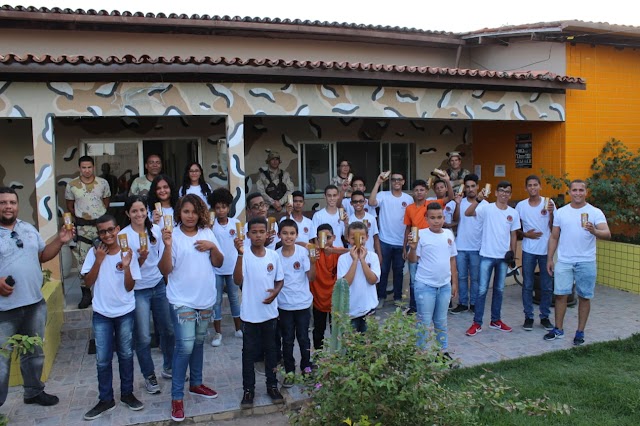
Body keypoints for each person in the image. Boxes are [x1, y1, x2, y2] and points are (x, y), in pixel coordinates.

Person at [0, 187, 73, 410]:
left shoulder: (28, 228)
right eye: (3, 202)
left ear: (17, 204)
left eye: (12, 202)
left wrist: (60, 241)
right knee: (1, 361)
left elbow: (42, 255)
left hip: (33, 303)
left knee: (34, 354)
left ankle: (33, 392)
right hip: (4, 310)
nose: (8, 206)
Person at [158, 194, 224, 422]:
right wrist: (167, 246)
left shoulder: (207, 233)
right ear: (179, 213)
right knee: (184, 346)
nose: (190, 216)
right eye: (186, 211)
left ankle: (196, 383)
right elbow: (165, 269)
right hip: (181, 300)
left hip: (205, 299)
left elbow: (218, 262)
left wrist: (213, 246)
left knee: (198, 343)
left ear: (200, 213)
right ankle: (177, 397)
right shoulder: (172, 235)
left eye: (194, 211)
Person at [81, 215, 144, 420]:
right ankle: (105, 399)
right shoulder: (93, 252)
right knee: (102, 359)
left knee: (126, 355)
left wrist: (126, 265)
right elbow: (88, 281)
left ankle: (127, 394)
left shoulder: (128, 253)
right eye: (102, 231)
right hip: (101, 314)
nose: (107, 235)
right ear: (98, 234)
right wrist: (99, 260)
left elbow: (129, 286)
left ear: (118, 229)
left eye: (110, 230)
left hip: (125, 312)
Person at [544, 180, 610, 345]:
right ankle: (558, 329)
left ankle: (580, 332)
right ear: (570, 192)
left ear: (586, 192)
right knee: (560, 296)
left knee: (584, 297)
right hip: (565, 261)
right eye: (575, 190)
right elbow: (554, 236)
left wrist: (594, 231)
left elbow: (607, 233)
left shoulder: (595, 212)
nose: (578, 193)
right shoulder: (562, 212)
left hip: (586, 261)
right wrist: (550, 258)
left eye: (581, 190)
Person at [119, 196, 174, 392]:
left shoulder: (156, 230)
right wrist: (140, 260)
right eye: (134, 211)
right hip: (138, 290)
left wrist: (167, 281)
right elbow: (126, 269)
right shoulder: (123, 236)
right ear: (127, 213)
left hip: (158, 285)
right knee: (142, 336)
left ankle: (169, 367)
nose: (139, 214)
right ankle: (149, 375)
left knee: (168, 329)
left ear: (147, 211)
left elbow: (163, 258)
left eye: (142, 210)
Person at [234, 217, 285, 409]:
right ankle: (248, 390)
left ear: (267, 234)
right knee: (248, 354)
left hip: (270, 314)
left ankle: (272, 386)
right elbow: (237, 280)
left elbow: (280, 280)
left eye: (261, 232)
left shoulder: (273, 256)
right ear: (248, 235)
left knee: (271, 352)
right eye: (254, 232)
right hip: (249, 315)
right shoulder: (244, 255)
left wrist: (275, 293)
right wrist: (239, 255)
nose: (258, 235)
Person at [465, 181, 520, 336]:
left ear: (510, 194)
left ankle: (496, 320)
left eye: (507, 191)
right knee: (482, 290)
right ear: (496, 193)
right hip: (487, 256)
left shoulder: (513, 213)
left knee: (499, 290)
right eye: (501, 190)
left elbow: (514, 234)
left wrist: (512, 254)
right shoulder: (486, 208)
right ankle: (477, 323)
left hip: (503, 257)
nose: (504, 194)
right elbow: (468, 213)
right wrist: (478, 199)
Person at [407, 202, 458, 355]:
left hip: (444, 286)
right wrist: (413, 247)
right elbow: (412, 260)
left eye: (440, 217)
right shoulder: (420, 235)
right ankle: (420, 354)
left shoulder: (448, 234)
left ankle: (442, 352)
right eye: (433, 218)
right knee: (424, 322)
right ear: (426, 218)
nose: (436, 221)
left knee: (441, 321)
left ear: (444, 217)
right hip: (425, 286)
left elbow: (452, 260)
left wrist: (453, 283)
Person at [65, 155, 111, 309]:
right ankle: (86, 294)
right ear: (79, 168)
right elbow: (70, 207)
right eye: (83, 167)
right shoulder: (72, 185)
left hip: (101, 229)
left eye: (89, 167)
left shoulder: (102, 183)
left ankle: (104, 291)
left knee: (106, 258)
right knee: (82, 261)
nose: (86, 170)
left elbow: (105, 203)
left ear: (93, 167)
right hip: (82, 229)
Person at [277, 219, 316, 387]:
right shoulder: (275, 255)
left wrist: (313, 263)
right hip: (284, 305)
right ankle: (290, 372)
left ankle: (306, 368)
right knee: (287, 340)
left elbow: (311, 277)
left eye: (292, 233)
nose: (288, 236)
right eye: (285, 233)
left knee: (303, 338)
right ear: (279, 235)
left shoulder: (302, 253)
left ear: (297, 235)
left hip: (302, 304)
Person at [515, 176, 555, 332]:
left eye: (535, 185)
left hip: (546, 251)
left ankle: (544, 317)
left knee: (546, 286)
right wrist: (526, 235)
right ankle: (528, 317)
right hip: (528, 250)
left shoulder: (549, 203)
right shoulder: (521, 206)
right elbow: (514, 228)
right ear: (526, 188)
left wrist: (551, 214)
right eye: (529, 185)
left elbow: (554, 227)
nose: (533, 188)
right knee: (527, 285)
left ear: (540, 186)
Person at [368, 172, 413, 308]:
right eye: (394, 180)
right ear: (391, 182)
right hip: (384, 240)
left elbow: (409, 223)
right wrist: (378, 182)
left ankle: (398, 298)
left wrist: (406, 245)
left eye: (399, 180)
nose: (396, 182)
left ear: (403, 182)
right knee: (383, 270)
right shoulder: (383, 195)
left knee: (398, 271)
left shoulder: (408, 199)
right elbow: (371, 202)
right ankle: (381, 297)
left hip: (401, 242)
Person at [208, 188, 243, 347]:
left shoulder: (236, 224)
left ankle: (238, 329)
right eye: (217, 207)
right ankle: (218, 333)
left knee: (235, 299)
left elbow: (242, 244)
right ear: (213, 209)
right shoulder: (210, 226)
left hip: (232, 268)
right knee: (215, 302)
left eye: (224, 207)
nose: (221, 210)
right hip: (216, 269)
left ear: (229, 208)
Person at [450, 174, 487, 314]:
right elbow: (455, 219)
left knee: (476, 278)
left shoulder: (485, 204)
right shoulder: (460, 201)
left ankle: (475, 303)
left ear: (478, 186)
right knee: (462, 277)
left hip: (477, 247)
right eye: (468, 186)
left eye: (473, 186)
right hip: (460, 246)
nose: (470, 189)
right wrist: (458, 204)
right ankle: (463, 303)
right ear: (464, 188)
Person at [337, 222, 381, 332]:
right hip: (350, 311)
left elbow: (372, 280)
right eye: (353, 238)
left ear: (367, 237)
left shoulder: (373, 257)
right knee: (351, 346)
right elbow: (345, 283)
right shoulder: (343, 259)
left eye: (362, 238)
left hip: (368, 308)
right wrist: (355, 260)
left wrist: (362, 259)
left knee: (368, 343)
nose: (358, 241)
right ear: (348, 238)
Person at [309, 224, 348, 350]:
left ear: (334, 237)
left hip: (335, 300)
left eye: (328, 237)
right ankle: (318, 357)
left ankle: (336, 358)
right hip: (318, 299)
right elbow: (297, 243)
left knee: (336, 331)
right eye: (322, 238)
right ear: (316, 239)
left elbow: (353, 251)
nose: (325, 241)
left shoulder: (338, 252)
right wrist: (312, 246)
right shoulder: (314, 253)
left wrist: (333, 250)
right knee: (318, 331)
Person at [403, 180, 429, 314]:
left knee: (428, 276)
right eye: (416, 190)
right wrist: (404, 248)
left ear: (426, 191)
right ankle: (413, 307)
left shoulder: (431, 205)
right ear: (413, 192)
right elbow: (407, 228)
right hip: (413, 245)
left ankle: (428, 305)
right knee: (413, 278)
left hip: (428, 247)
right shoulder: (410, 208)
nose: (419, 192)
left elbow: (450, 198)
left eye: (422, 190)